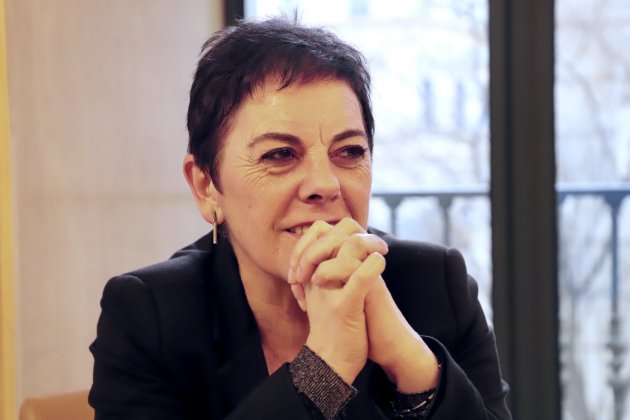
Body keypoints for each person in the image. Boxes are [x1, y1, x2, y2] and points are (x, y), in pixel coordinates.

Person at [89, 18, 512, 419]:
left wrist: (412, 365)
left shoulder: (436, 285)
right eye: (280, 154)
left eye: (349, 152)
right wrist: (322, 371)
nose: (325, 184)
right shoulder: (149, 316)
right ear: (206, 187)